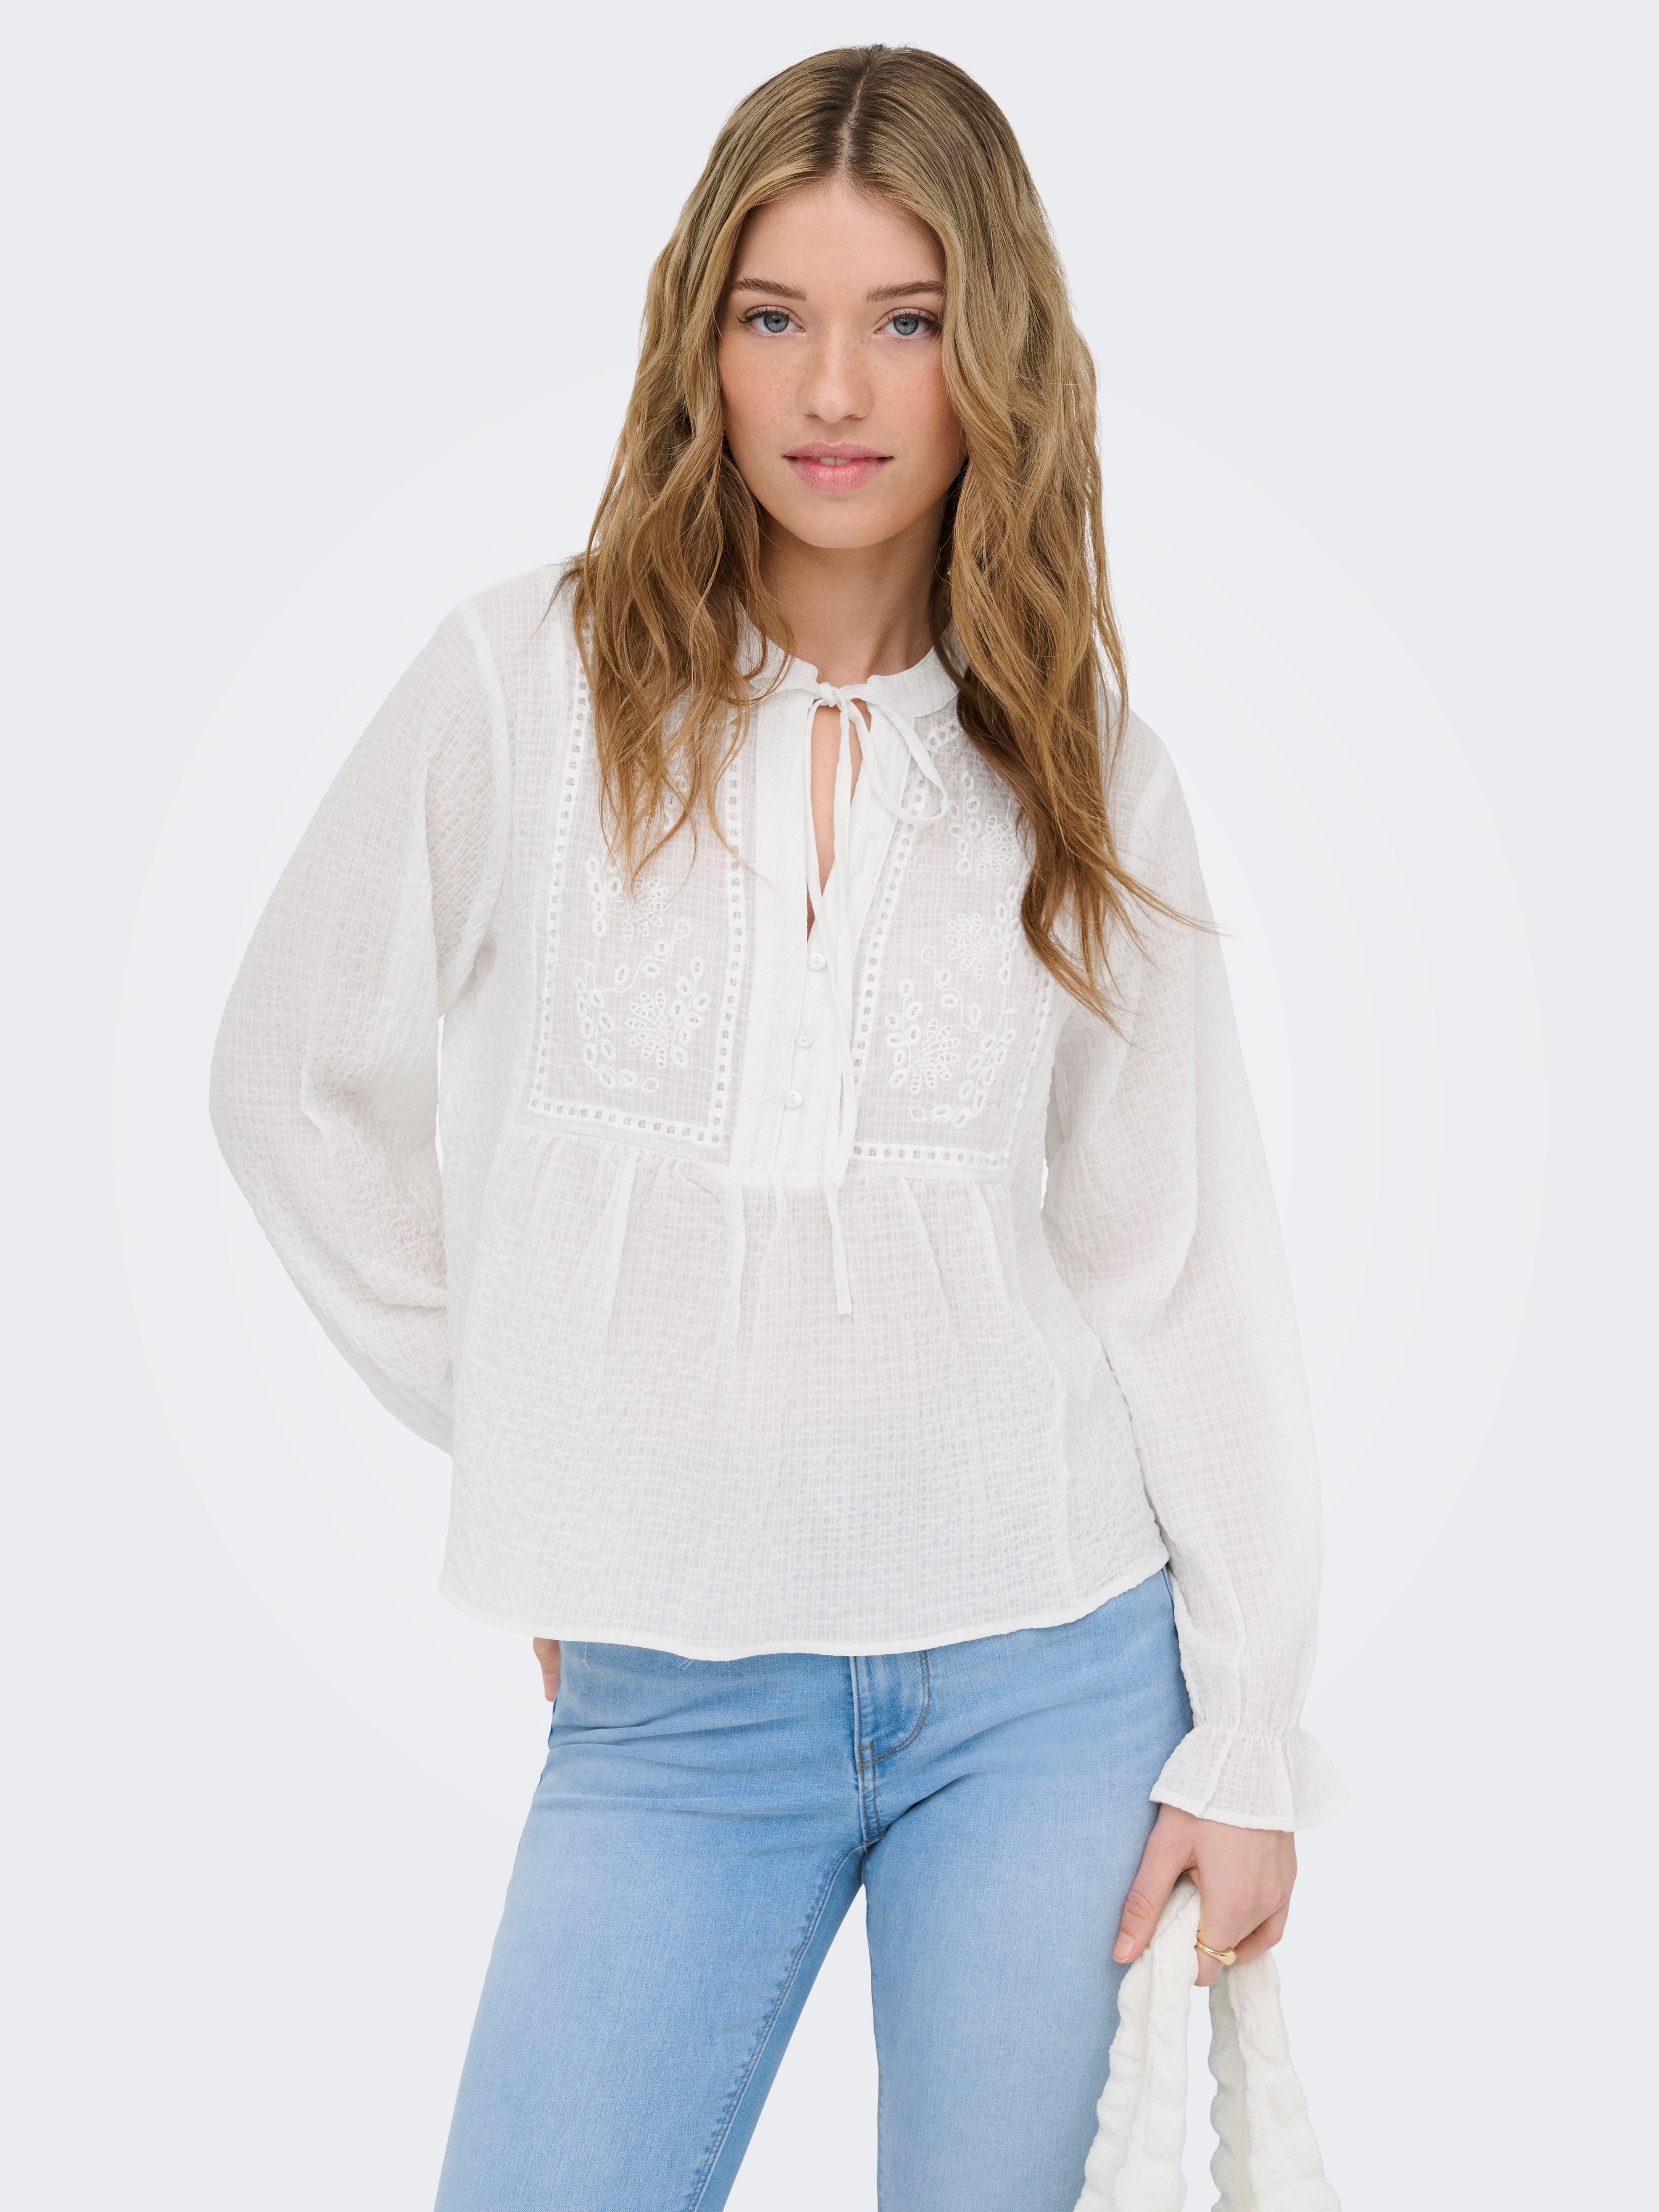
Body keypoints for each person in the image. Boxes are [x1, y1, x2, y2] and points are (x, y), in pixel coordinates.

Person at [210, 43, 1346, 2212]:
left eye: (906, 320)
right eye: (776, 315)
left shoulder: (1091, 769)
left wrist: (1250, 1733)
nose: (837, 388)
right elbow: (288, 1084)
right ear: (700, 342)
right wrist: (545, 1445)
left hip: (1051, 1677)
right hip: (673, 1705)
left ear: (993, 358)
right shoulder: (521, 687)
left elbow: (1181, 1263)